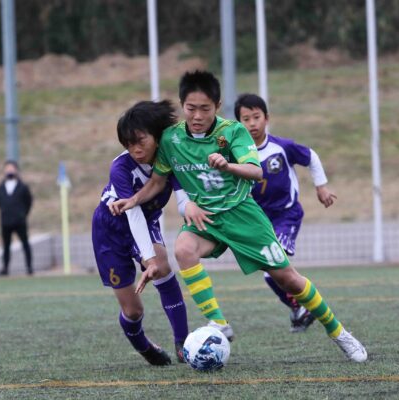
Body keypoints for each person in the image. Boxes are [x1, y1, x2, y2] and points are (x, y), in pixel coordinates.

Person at [110, 70, 367, 362]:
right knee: (182, 249)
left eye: (205, 108)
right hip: (207, 218)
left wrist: (227, 166)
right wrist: (133, 200)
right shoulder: (171, 139)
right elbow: (158, 181)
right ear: (182, 105)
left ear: (217, 106)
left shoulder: (233, 132)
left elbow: (256, 171)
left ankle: (338, 332)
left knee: (289, 280)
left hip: (242, 215)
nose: (197, 116)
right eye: (191, 108)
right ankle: (218, 322)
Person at [91, 100, 189, 366]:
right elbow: (131, 212)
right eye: (128, 144)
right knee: (133, 310)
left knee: (163, 267)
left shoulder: (171, 158)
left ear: (156, 135)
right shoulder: (121, 168)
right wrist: (148, 259)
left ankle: (183, 343)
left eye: (140, 141)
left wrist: (154, 260)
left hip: (146, 221)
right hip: (110, 230)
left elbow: (183, 195)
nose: (135, 149)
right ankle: (145, 347)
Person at [234, 93, 337, 333]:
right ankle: (300, 308)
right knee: (272, 272)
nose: (252, 123)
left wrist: (321, 187)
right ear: (238, 124)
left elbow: (311, 156)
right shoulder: (237, 155)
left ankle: (303, 307)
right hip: (259, 222)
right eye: (246, 119)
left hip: (286, 215)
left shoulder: (281, 147)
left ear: (267, 118)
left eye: (256, 117)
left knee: (273, 269)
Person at [0, 160, 33, 276]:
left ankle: (29, 267)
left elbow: (28, 201)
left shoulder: (23, 187)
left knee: (25, 243)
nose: (9, 170)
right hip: (6, 221)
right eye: (7, 168)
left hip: (19, 220)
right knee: (6, 246)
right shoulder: (0, 187)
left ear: (16, 170)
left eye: (12, 168)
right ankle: (5, 268)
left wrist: (22, 214)